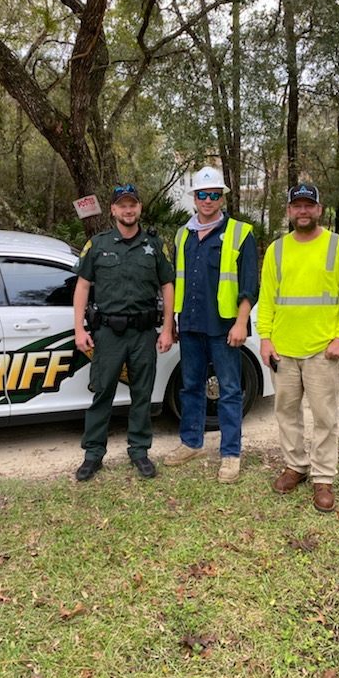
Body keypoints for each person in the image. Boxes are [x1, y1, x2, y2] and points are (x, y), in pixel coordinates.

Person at [257, 182, 339, 512]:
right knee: (286, 413)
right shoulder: (276, 250)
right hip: (284, 350)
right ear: (289, 211)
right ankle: (296, 466)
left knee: (323, 417)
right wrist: (265, 337)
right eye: (297, 206)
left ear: (319, 209)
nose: (303, 211)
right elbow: (268, 297)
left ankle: (323, 478)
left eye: (309, 205)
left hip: (323, 350)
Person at [163, 166, 259, 483]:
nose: (208, 200)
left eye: (214, 194)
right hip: (189, 325)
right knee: (191, 387)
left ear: (222, 197)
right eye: (202, 194)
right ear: (194, 197)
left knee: (230, 391)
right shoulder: (183, 234)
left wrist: (241, 323)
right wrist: (172, 321)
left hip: (224, 327)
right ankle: (191, 443)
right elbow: (177, 280)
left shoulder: (241, 233)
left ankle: (230, 455)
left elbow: (248, 284)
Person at [73, 184, 175, 481]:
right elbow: (82, 286)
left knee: (142, 393)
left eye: (133, 205)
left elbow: (167, 285)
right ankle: (93, 454)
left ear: (139, 208)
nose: (128, 210)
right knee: (102, 393)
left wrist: (167, 328)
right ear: (113, 210)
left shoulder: (155, 245)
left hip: (144, 333)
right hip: (108, 334)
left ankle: (139, 450)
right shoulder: (98, 244)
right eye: (122, 205)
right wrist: (79, 328)